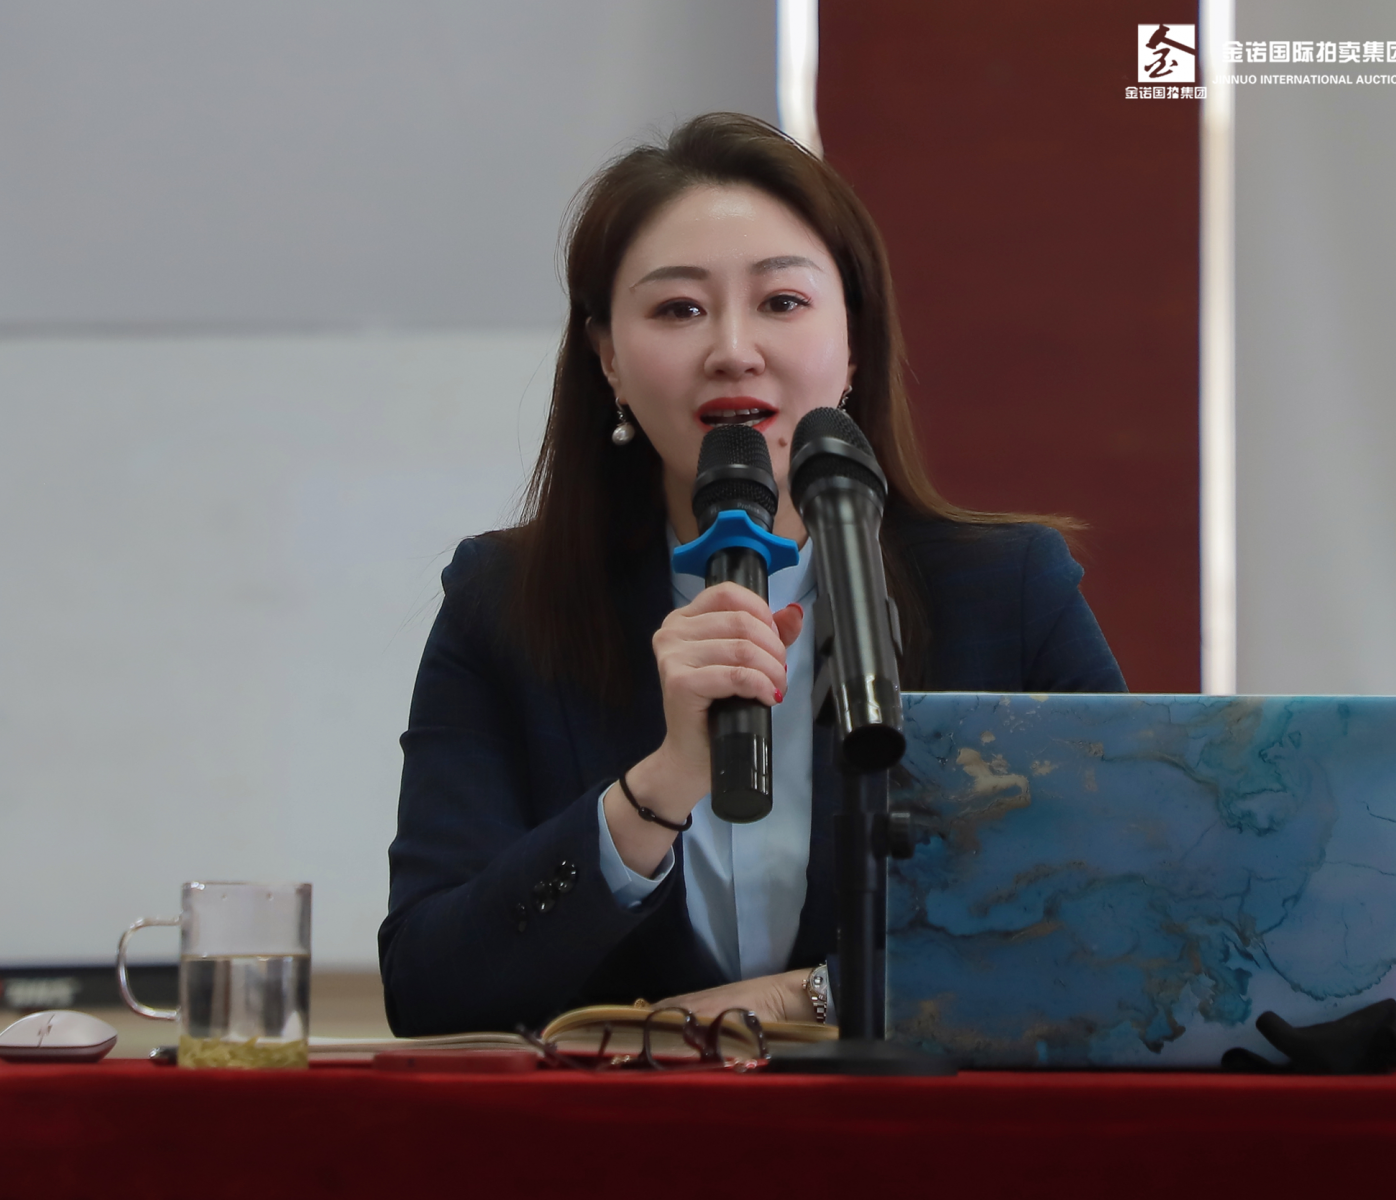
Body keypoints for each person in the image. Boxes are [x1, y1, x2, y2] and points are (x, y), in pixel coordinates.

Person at [379, 113, 1125, 1037]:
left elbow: (1130, 923)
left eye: (781, 301)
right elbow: (429, 989)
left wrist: (813, 995)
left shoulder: (1006, 592)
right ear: (608, 358)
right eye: (677, 310)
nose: (733, 348)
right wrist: (655, 790)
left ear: (851, 343)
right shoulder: (504, 605)